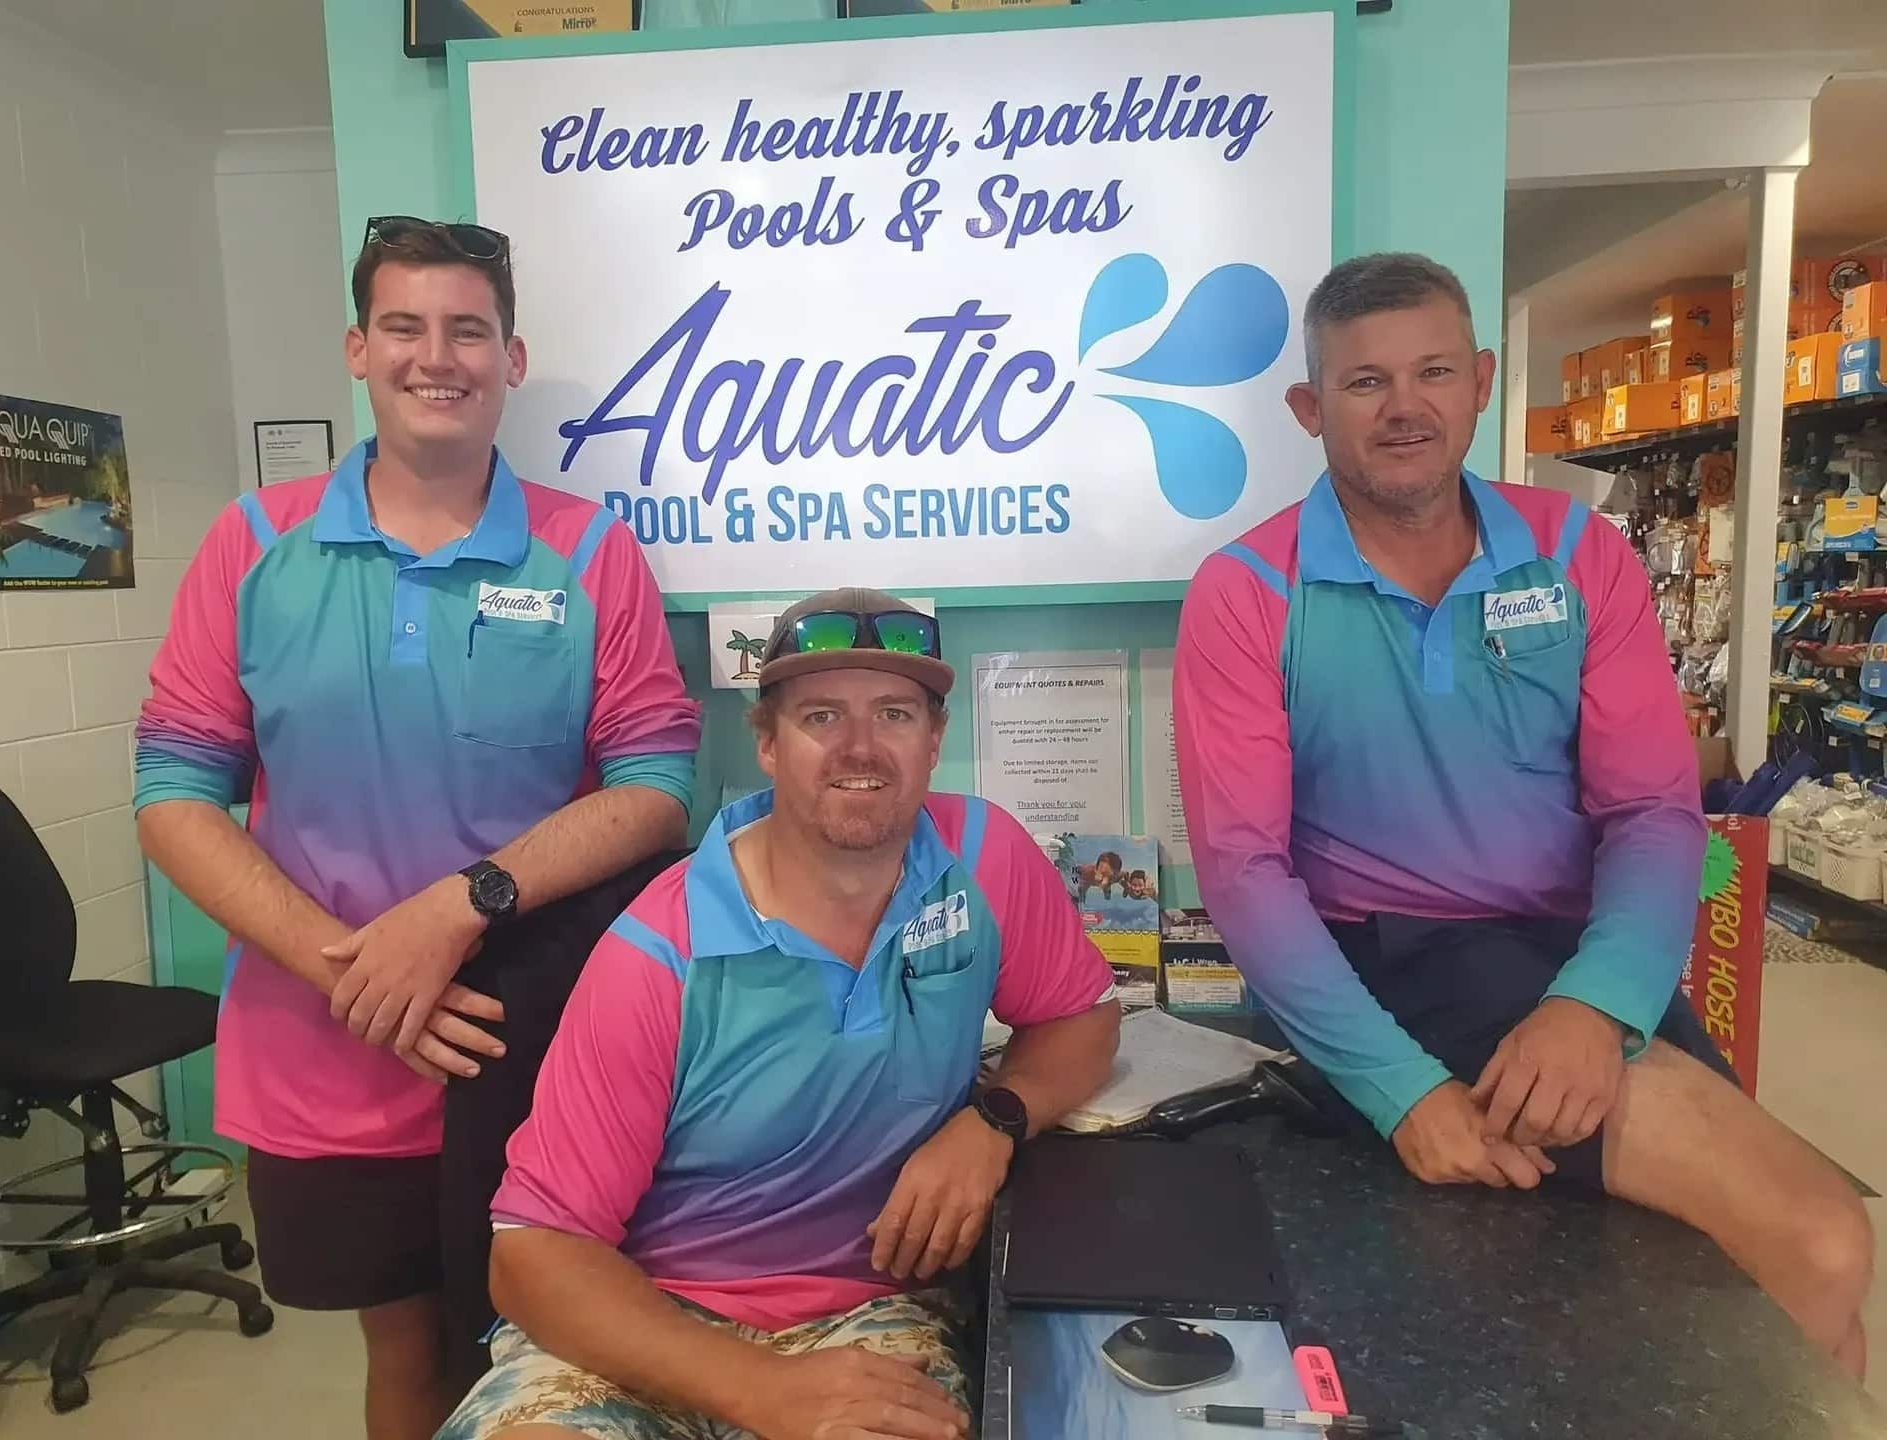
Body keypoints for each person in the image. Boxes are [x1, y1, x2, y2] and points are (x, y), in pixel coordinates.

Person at [1175, 252, 1873, 1377]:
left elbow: (1653, 812)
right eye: (1365, 382)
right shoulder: (1249, 591)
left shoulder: (1577, 551)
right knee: (1821, 1238)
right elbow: (1244, 871)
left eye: (1434, 371)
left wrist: (1596, 1004)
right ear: (1310, 408)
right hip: (1395, 964)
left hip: (1575, 956)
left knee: (1779, 1289)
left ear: (1484, 381)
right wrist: (1401, 1090)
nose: (1406, 407)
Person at [134, 217, 702, 1438]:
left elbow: (658, 786)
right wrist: (353, 972)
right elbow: (173, 791)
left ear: (511, 356)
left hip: (537, 1042)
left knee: (559, 1348)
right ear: (357, 348)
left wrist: (458, 908)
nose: (435, 356)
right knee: (405, 1352)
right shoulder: (254, 542)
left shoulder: (587, 551)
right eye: (404, 326)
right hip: (322, 1049)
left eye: (467, 330)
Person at [437, 588, 1121, 1440]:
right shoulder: (661, 950)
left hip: (870, 1313)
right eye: (821, 716)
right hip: (647, 1316)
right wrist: (762, 1389)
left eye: (895, 714)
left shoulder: (983, 858)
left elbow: (1082, 1017)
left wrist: (994, 1122)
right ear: (767, 742)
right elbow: (532, 1252)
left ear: (935, 739)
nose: (861, 748)